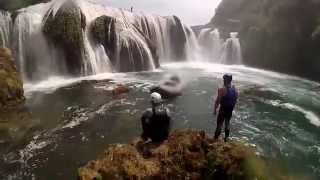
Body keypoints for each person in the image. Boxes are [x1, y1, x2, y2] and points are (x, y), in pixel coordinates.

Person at [213, 74, 238, 142]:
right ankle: (226, 139)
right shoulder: (234, 88)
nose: (223, 80)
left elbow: (218, 100)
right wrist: (232, 108)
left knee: (219, 125)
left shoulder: (221, 89)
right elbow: (235, 99)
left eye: (224, 79)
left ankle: (215, 139)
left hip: (223, 109)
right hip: (230, 110)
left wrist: (215, 109)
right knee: (227, 123)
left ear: (225, 80)